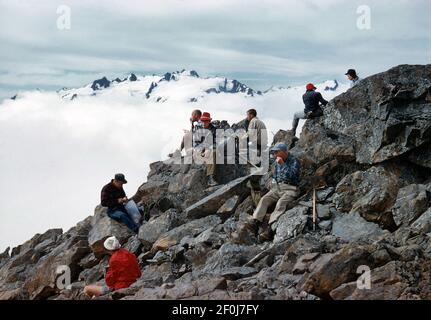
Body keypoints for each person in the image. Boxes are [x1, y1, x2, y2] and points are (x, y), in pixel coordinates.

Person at [244, 142, 301, 242]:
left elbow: (293, 175)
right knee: (264, 199)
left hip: (290, 188)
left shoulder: (294, 160)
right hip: (277, 187)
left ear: (283, 152)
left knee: (280, 204)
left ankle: (270, 228)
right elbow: (275, 174)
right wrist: (272, 180)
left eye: (276, 152)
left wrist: (282, 164)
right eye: (273, 152)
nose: (274, 154)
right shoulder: (278, 161)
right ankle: (256, 221)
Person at [245, 109, 268, 207]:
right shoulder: (261, 122)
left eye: (247, 115)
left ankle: (257, 203)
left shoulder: (253, 122)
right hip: (263, 147)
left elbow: (250, 134)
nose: (246, 117)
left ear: (250, 115)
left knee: (253, 176)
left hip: (257, 147)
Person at [194, 112, 218, 187]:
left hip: (209, 149)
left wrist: (208, 149)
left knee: (213, 152)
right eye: (202, 121)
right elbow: (196, 143)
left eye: (206, 121)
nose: (204, 123)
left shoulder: (214, 130)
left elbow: (215, 142)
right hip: (200, 150)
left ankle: (210, 178)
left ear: (209, 121)